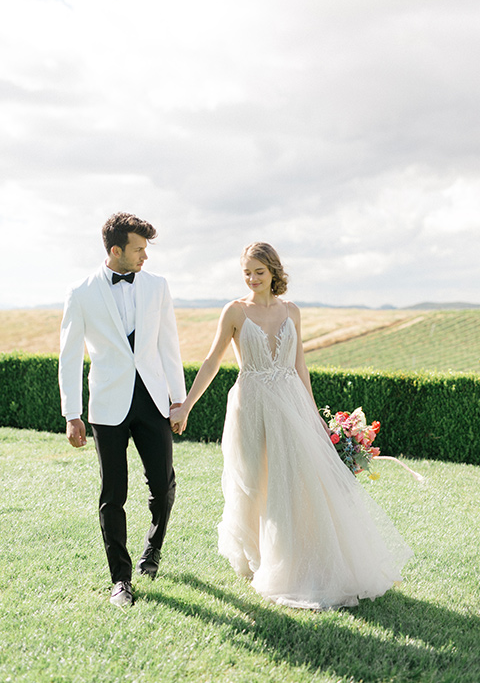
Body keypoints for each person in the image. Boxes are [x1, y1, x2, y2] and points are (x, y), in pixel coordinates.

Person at [170, 242, 412, 610]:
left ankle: (295, 559)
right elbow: (212, 360)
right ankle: (257, 555)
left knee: (293, 482)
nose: (252, 279)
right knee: (253, 481)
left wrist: (314, 416)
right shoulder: (234, 311)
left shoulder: (291, 311)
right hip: (249, 405)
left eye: (259, 272)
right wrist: (186, 405)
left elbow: (300, 365)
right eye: (246, 273)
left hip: (290, 402)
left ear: (274, 272)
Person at [59, 212, 186, 607]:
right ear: (115, 251)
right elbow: (68, 357)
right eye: (138, 249)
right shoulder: (81, 292)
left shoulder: (158, 286)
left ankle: (153, 549)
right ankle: (121, 579)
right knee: (113, 493)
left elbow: (169, 344)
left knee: (162, 487)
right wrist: (72, 413)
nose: (145, 256)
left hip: (153, 400)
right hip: (107, 406)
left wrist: (178, 400)